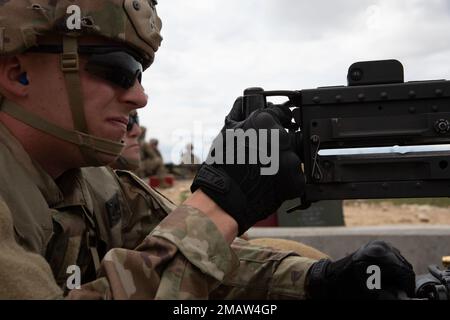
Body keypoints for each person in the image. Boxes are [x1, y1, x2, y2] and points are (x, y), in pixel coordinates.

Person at [0, 0, 415, 300]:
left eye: (140, 74)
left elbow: (201, 261)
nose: (140, 97)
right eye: (119, 71)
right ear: (18, 75)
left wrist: (319, 278)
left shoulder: (91, 182)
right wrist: (222, 202)